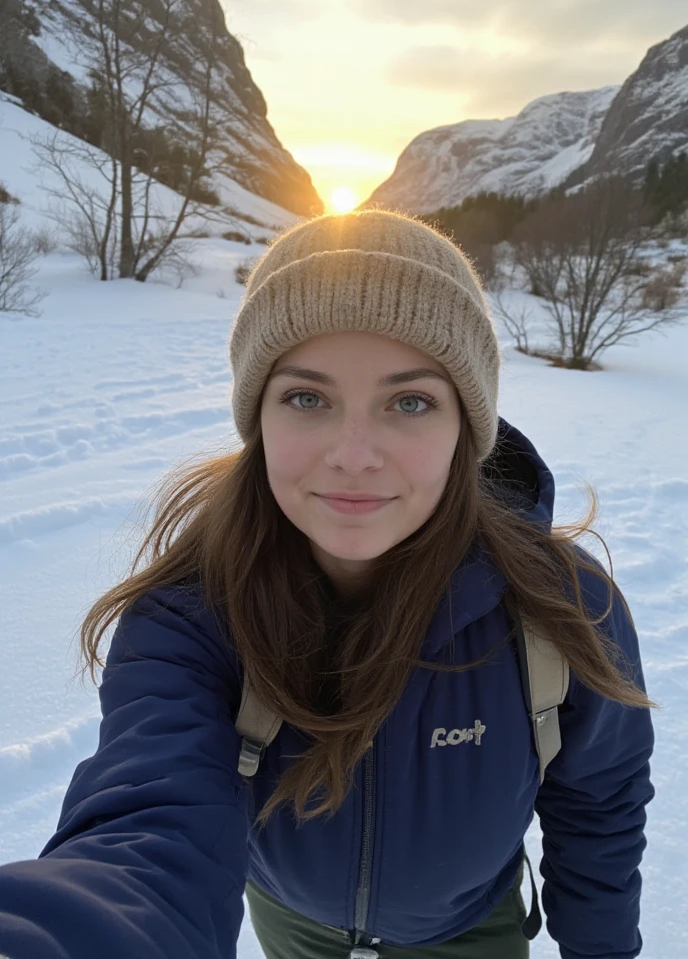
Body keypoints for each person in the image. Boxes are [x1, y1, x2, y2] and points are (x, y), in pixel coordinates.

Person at [0, 210, 654, 959]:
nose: (353, 455)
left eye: (410, 402)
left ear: (467, 429)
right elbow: (149, 824)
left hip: (469, 932)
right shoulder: (193, 611)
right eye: (307, 398)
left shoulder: (563, 607)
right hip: (292, 927)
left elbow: (599, 804)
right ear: (260, 418)